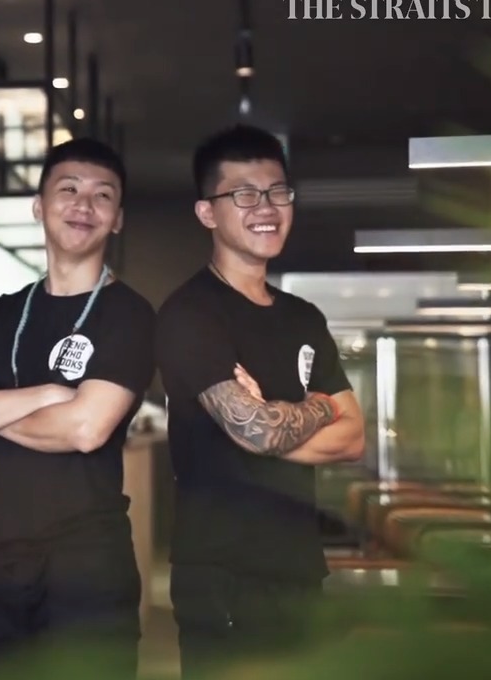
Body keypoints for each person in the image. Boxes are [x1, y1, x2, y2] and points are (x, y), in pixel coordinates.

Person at [0, 137, 156, 679]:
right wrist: (47, 395)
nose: (84, 205)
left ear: (118, 219)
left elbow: (86, 428)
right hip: (1, 560)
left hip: (89, 564)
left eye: (103, 196)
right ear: (39, 206)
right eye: (68, 189)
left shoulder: (129, 315)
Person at [155, 125, 365, 677]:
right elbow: (262, 430)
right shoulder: (189, 315)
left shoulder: (304, 317)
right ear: (207, 212)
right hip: (222, 572)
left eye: (277, 192)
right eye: (244, 194)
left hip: (299, 564)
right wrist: (321, 408)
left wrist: (266, 430)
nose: (266, 207)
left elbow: (354, 438)